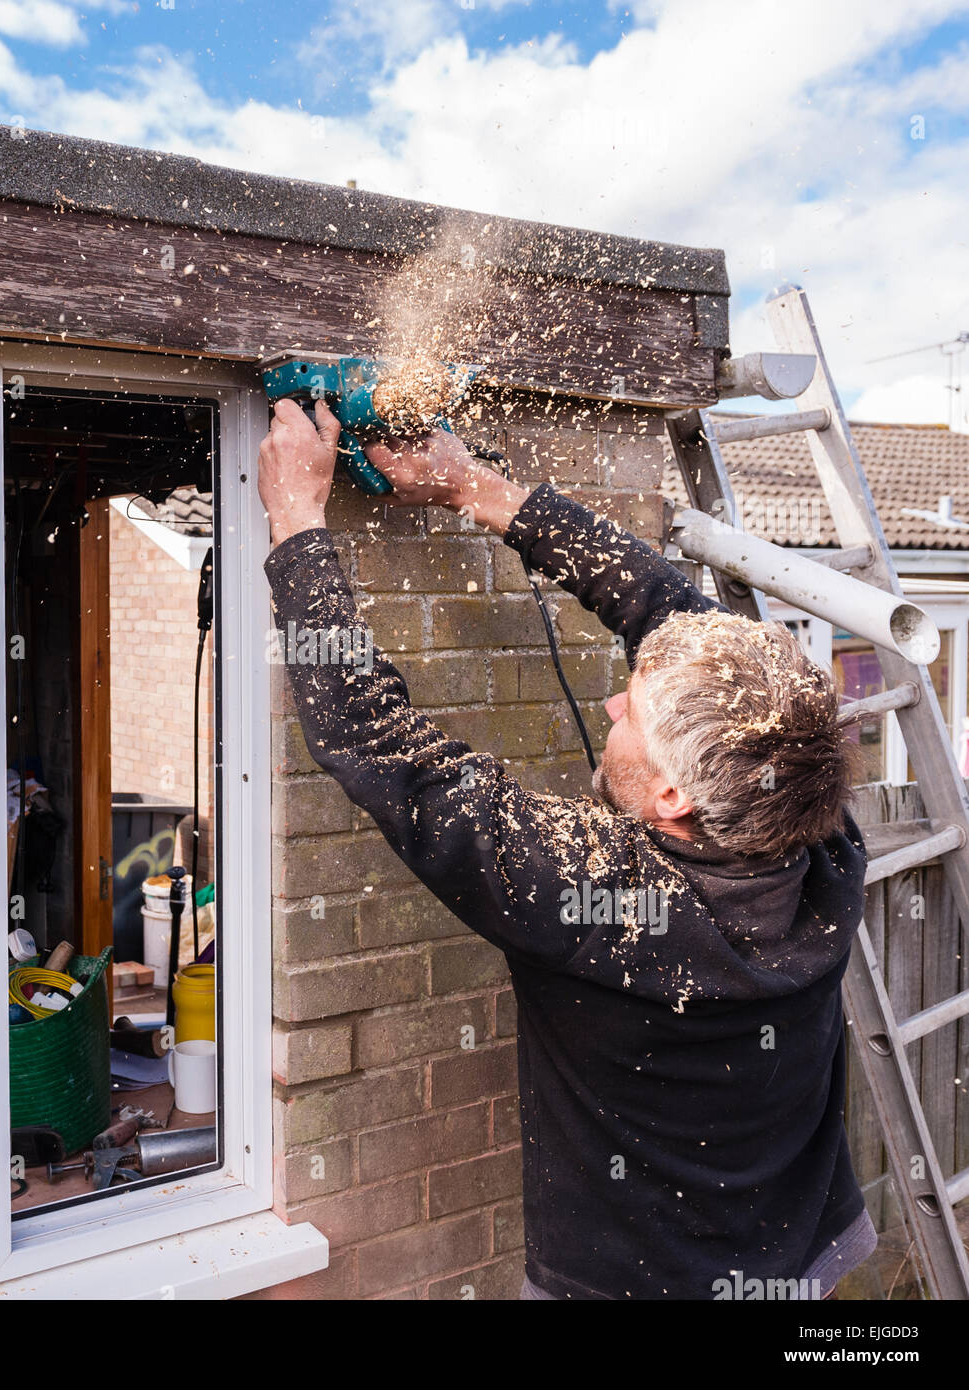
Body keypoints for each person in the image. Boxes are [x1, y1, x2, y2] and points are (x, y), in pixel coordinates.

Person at [258, 396, 876, 1301]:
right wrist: (472, 486)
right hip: (804, 1257)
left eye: (636, 708)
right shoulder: (818, 833)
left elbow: (377, 740)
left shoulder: (603, 902)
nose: (618, 705)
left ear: (670, 794)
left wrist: (295, 520)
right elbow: (672, 614)